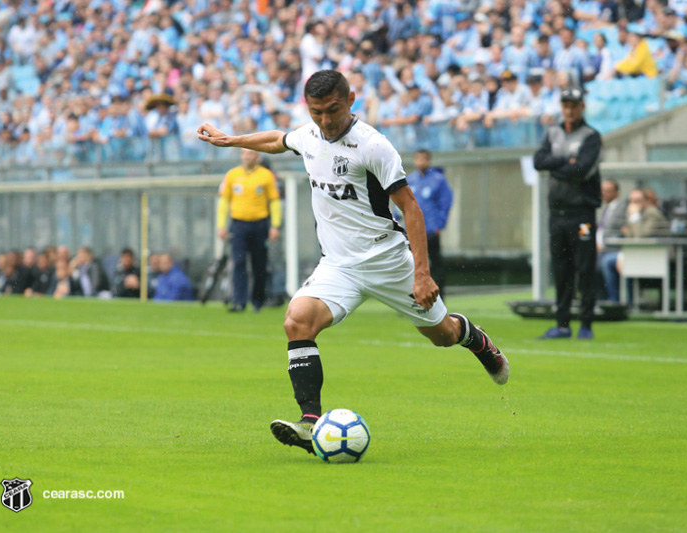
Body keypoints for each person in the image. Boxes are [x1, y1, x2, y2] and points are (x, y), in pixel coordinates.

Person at [197, 70, 509, 457]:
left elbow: (411, 208)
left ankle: (476, 340)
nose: (325, 121)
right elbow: (278, 140)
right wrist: (232, 140)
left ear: (351, 99)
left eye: (333, 110)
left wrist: (422, 273)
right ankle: (310, 422)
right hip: (339, 266)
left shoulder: (373, 146)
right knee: (296, 321)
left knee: (441, 335)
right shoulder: (310, 135)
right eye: (316, 112)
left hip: (388, 261)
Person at [533, 87, 603, 340]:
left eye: (574, 106)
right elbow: (538, 161)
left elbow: (582, 169)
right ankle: (562, 324)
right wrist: (567, 162)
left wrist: (558, 165)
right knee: (561, 269)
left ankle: (586, 324)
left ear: (582, 107)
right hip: (558, 214)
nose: (569, 111)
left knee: (585, 268)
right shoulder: (553, 132)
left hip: (582, 213)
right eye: (566, 106)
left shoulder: (592, 136)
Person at [217, 148, 282, 312]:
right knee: (238, 262)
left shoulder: (266, 176)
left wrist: (275, 225)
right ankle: (239, 301)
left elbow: (274, 201)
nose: (247, 157)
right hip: (238, 224)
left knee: (259, 264)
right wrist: (221, 225)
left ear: (258, 156)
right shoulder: (232, 175)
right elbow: (224, 201)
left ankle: (258, 301)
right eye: (244, 153)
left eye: (251, 153)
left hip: (260, 224)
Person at [403, 149, 454, 297]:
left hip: (430, 230)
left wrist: (439, 224)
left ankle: (440, 299)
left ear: (428, 161)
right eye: (417, 159)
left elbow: (446, 203)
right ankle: (412, 300)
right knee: (410, 265)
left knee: (435, 265)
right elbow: (402, 204)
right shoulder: (411, 179)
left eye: (423, 159)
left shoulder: (438, 180)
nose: (420, 162)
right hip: (412, 231)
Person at [597, 180, 628, 302]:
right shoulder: (604, 208)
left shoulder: (622, 207)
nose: (605, 193)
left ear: (617, 192)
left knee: (605, 263)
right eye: (603, 190)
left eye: (608, 190)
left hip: (614, 249)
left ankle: (613, 300)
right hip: (601, 249)